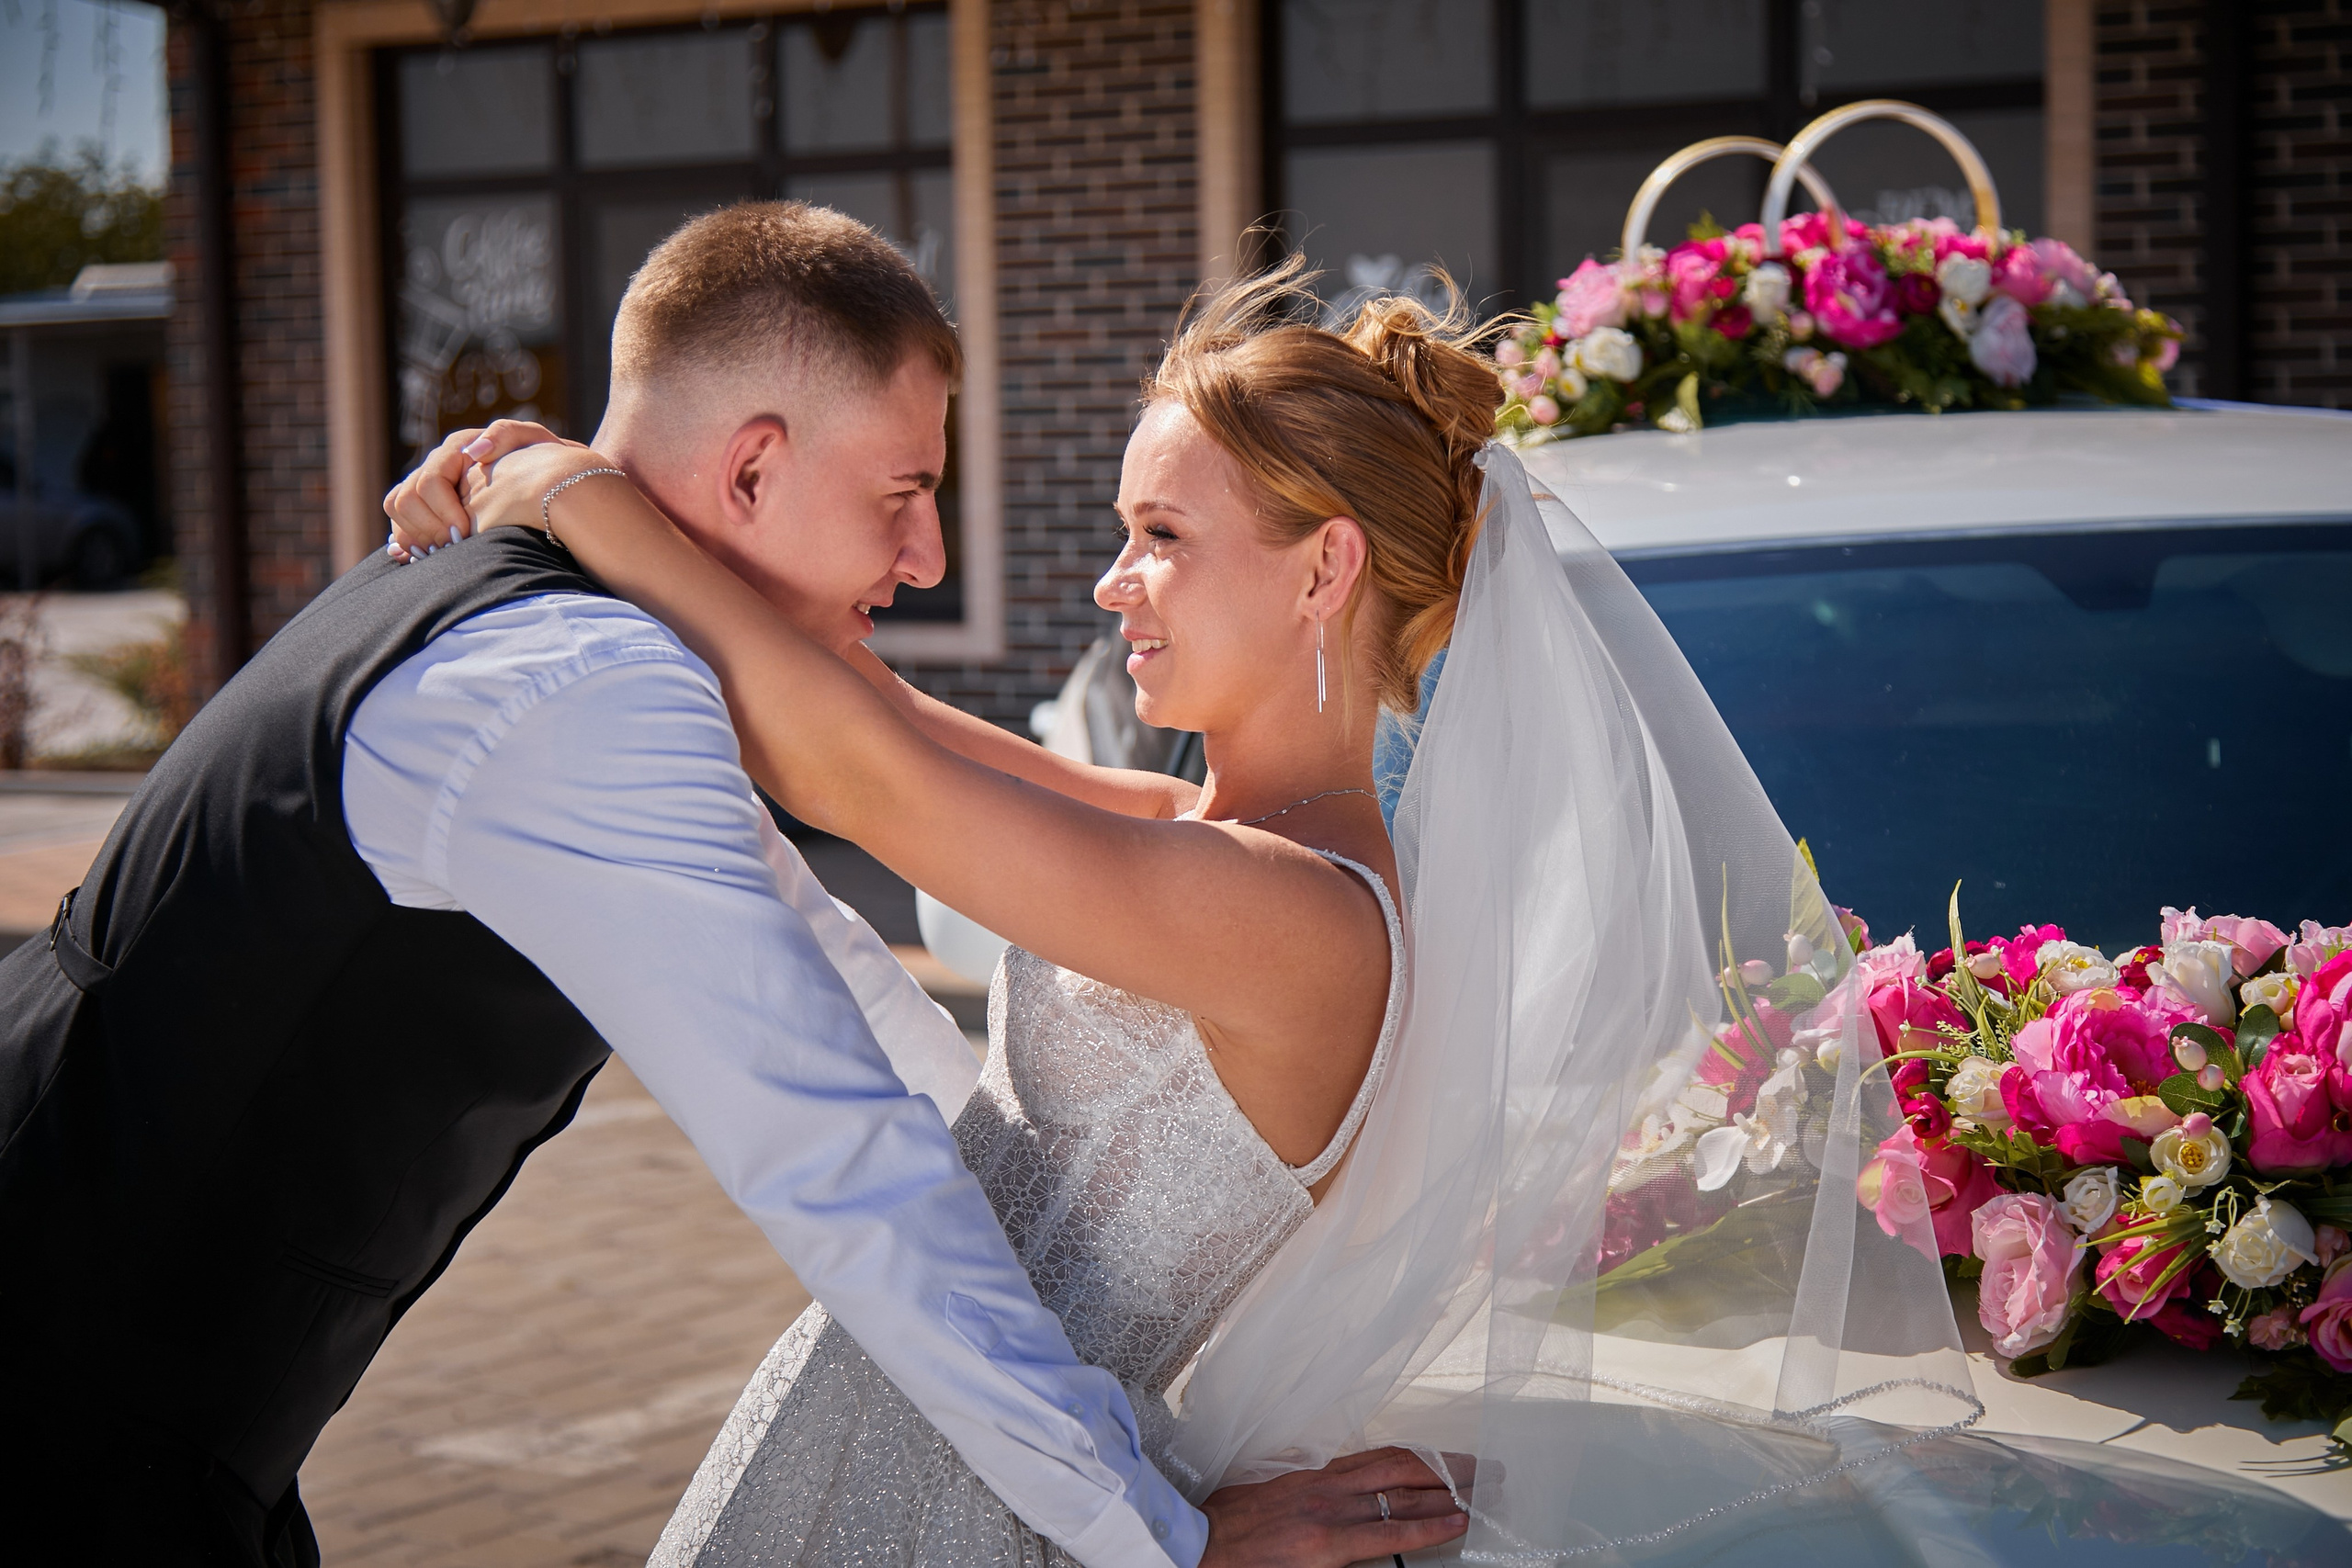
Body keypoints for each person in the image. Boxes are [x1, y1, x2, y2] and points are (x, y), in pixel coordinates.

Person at [0, 203, 1443, 1568]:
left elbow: (849, 949)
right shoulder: (585, 683)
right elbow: (846, 1143)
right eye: (909, 492)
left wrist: (576, 486)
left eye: (1162, 537)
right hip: (70, 1408)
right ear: (751, 470)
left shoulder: (545, 626)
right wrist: (1163, 1530)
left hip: (159, 1418)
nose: (931, 555)